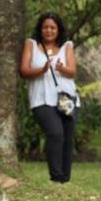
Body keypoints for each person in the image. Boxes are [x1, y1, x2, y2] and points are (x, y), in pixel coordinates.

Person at [19, 12, 78, 183]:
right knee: (55, 133)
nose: (49, 31)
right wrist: (42, 70)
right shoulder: (31, 45)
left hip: (66, 98)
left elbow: (73, 71)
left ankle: (65, 179)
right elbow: (24, 71)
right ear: (40, 28)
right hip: (41, 99)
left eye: (53, 27)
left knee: (67, 137)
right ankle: (56, 175)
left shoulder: (67, 46)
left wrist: (61, 68)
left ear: (58, 30)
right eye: (45, 27)